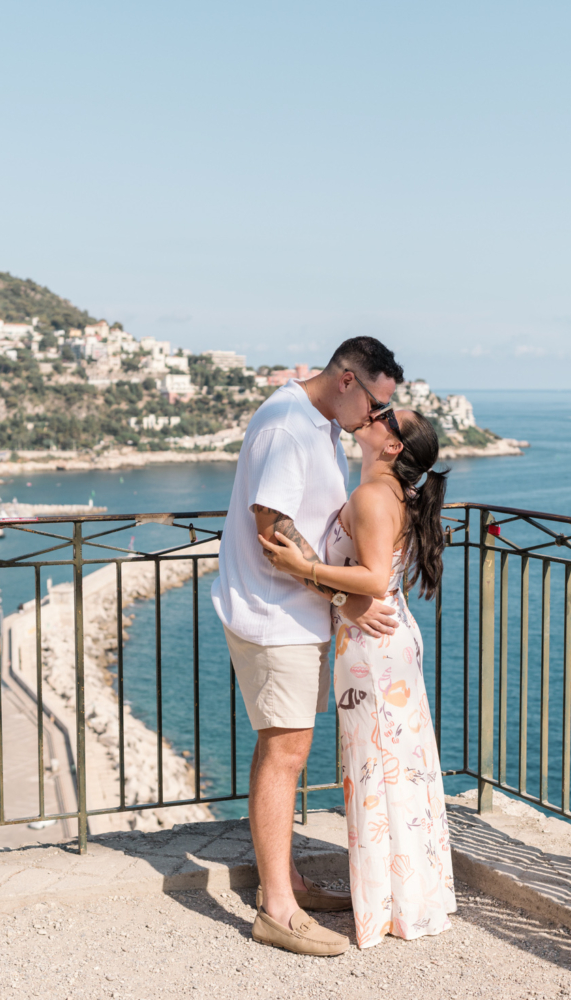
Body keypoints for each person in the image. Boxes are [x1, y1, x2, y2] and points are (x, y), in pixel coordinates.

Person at [211, 336, 406, 956]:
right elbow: (272, 528)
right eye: (375, 405)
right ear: (347, 380)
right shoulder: (294, 426)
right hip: (275, 616)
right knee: (287, 752)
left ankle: (285, 879)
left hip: (291, 613)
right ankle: (277, 910)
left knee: (282, 747)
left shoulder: (316, 421)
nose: (375, 421)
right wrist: (341, 594)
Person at [260, 399, 457, 949]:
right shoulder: (391, 492)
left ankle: (387, 904)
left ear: (392, 446)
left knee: (377, 770)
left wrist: (304, 568)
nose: (376, 413)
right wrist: (341, 596)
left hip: (373, 648)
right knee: (401, 768)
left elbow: (371, 578)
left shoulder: (372, 495)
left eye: (387, 416)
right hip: (385, 639)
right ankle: (407, 899)